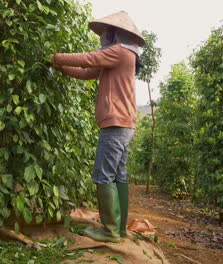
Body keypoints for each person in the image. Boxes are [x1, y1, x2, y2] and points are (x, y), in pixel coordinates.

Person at [51, 11, 145, 243]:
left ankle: (109, 230)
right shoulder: (122, 56)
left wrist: (56, 57)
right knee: (118, 175)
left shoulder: (120, 52)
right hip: (124, 124)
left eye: (106, 33)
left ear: (116, 34)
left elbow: (88, 59)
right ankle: (119, 228)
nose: (103, 37)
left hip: (115, 123)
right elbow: (87, 72)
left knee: (103, 176)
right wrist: (62, 68)